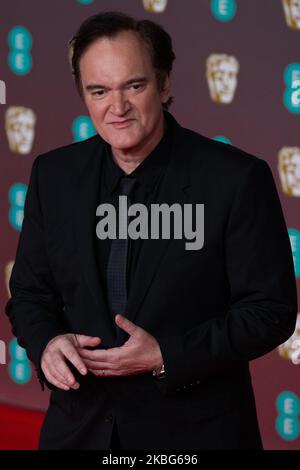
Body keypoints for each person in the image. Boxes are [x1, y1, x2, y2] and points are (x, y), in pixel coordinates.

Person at [5, 11, 297, 450]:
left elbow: (270, 311)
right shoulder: (54, 175)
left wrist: (167, 356)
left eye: (133, 86)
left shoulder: (235, 180)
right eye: (99, 91)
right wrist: (47, 343)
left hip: (195, 439)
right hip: (78, 433)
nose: (116, 108)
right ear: (83, 95)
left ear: (164, 85)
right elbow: (29, 294)